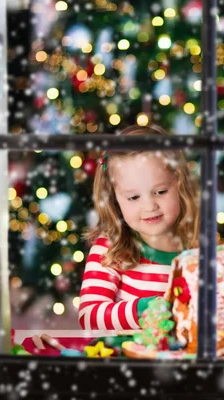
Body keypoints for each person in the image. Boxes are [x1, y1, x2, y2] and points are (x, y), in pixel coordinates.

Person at [78, 124, 199, 331]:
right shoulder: (111, 248)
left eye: (160, 191)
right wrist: (144, 309)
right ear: (115, 199)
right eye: (134, 197)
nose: (150, 206)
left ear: (178, 184)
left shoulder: (196, 248)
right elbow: (89, 316)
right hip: (126, 360)